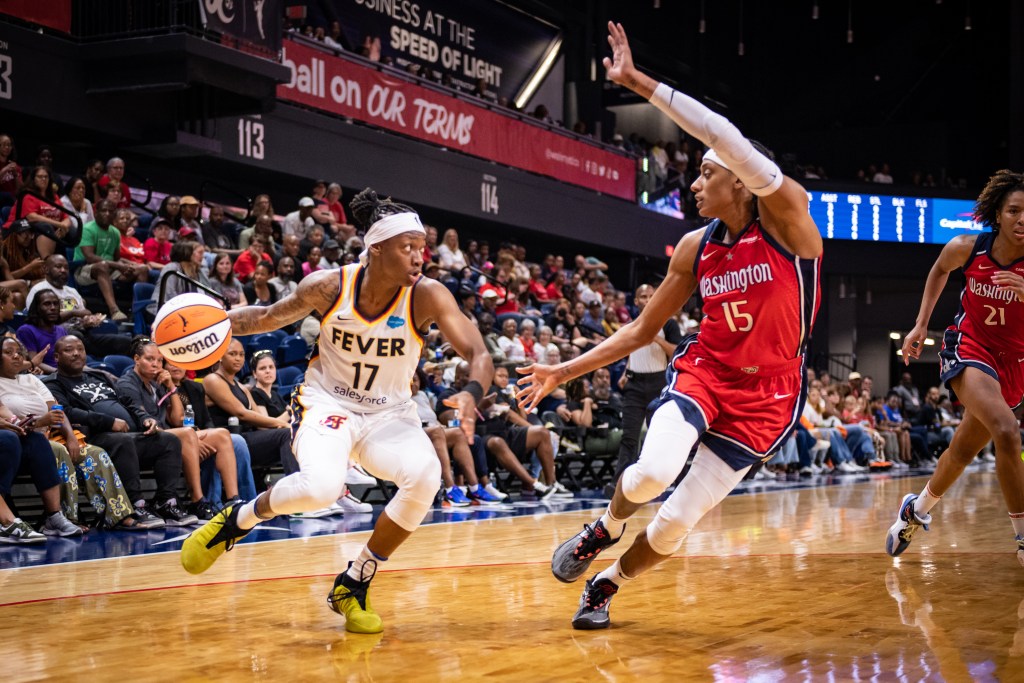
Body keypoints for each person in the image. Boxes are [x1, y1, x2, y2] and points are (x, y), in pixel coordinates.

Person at [516, 22, 822, 630]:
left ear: (740, 176)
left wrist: (638, 83)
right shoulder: (694, 246)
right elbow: (637, 333)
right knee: (652, 472)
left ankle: (607, 583)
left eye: (707, 173)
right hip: (707, 372)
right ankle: (603, 527)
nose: (695, 182)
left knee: (677, 522)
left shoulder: (789, 224)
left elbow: (723, 134)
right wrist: (563, 369)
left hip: (769, 396)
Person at [181, 188, 493, 636]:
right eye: (408, 248)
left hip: (390, 414)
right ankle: (236, 521)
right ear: (376, 248)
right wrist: (209, 326)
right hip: (328, 402)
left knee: (425, 478)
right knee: (321, 488)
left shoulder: (427, 295)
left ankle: (355, 581)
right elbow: (267, 316)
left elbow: (477, 351)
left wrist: (472, 392)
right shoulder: (329, 286)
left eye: (422, 249)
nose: (418, 258)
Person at [886, 169, 1024, 567]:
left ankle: (916, 509)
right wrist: (920, 323)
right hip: (970, 347)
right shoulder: (969, 247)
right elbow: (939, 269)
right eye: (1013, 210)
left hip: (1014, 364)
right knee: (1007, 431)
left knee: (962, 451)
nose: (1021, 219)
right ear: (998, 213)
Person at [610, 283, 683, 494]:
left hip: (658, 383)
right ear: (636, 301)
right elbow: (633, 352)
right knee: (629, 437)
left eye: (651, 296)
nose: (648, 300)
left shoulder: (669, 324)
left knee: (659, 436)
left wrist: (657, 339)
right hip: (634, 384)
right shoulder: (631, 326)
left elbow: (677, 352)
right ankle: (620, 485)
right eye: (643, 296)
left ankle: (666, 480)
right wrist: (626, 372)